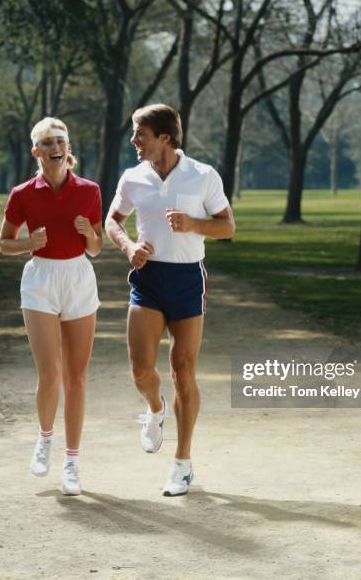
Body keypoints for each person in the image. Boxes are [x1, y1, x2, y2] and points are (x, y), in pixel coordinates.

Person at [105, 104, 235, 496]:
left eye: (139, 134)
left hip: (186, 278)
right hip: (148, 277)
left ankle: (182, 463)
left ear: (164, 137)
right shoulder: (133, 177)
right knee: (142, 371)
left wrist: (193, 223)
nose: (133, 142)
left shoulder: (202, 175)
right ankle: (155, 409)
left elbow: (227, 227)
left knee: (183, 369)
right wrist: (128, 246)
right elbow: (112, 220)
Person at [0, 117, 102, 496]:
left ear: (68, 148)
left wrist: (89, 233)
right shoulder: (22, 193)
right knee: (49, 373)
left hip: (78, 279)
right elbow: (4, 242)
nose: (55, 147)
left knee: (75, 378)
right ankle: (45, 438)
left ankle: (72, 463)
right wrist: (29, 243)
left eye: (60, 141)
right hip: (40, 280)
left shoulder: (89, 190)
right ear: (36, 151)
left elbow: (96, 247)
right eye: (47, 142)